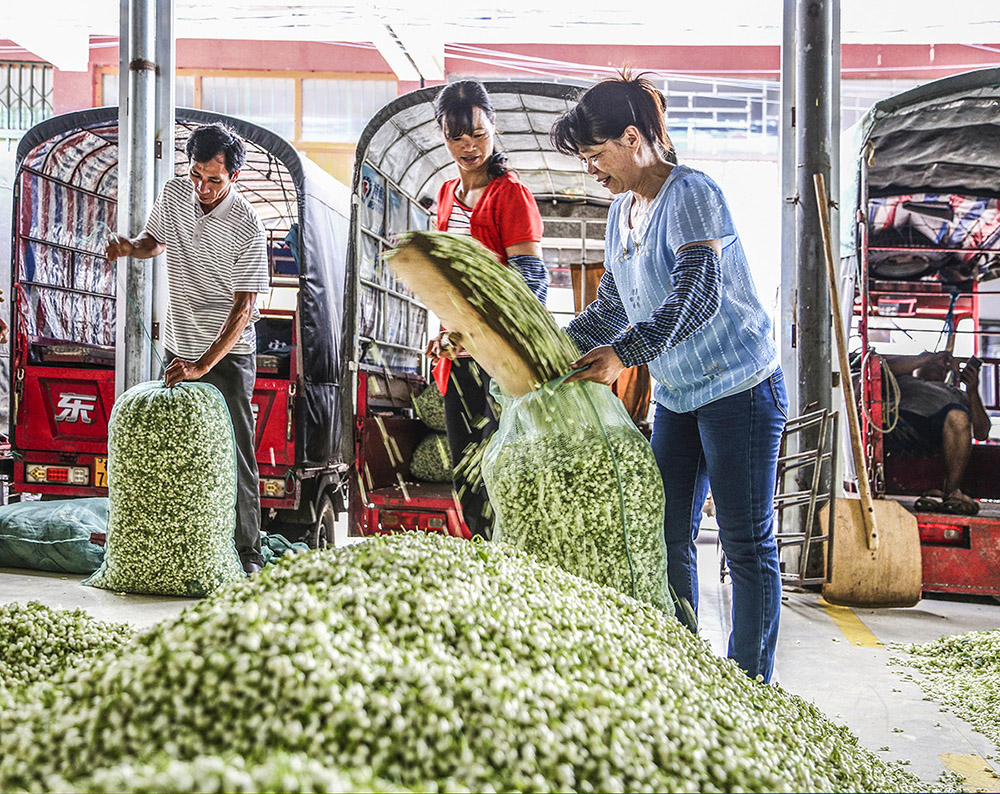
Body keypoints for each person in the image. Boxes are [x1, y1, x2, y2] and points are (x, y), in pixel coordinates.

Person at [551, 73, 787, 683]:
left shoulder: (691, 194)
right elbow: (612, 306)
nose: (591, 171)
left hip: (739, 389)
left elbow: (696, 296)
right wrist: (551, 348)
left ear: (632, 139)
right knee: (667, 534)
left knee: (744, 542)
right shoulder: (620, 213)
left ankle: (750, 684)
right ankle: (685, 668)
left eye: (595, 155)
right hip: (680, 397)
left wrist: (623, 355)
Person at [104, 123, 270, 576]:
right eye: (196, 175)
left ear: (234, 176)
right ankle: (184, 542)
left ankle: (249, 552)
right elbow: (153, 242)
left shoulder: (248, 226)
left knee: (236, 451)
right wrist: (129, 248)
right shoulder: (175, 193)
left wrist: (202, 365)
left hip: (228, 357)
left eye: (214, 179)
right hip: (179, 347)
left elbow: (244, 308)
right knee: (177, 445)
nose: (202, 187)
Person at [425, 80, 547, 540]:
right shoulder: (445, 194)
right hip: (457, 361)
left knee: (501, 471)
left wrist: (486, 335)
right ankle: (480, 557)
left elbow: (530, 282)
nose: (469, 146)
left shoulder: (510, 195)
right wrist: (448, 333)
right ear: (443, 135)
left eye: (478, 133)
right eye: (456, 137)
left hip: (498, 362)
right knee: (467, 473)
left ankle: (507, 559)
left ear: (494, 126)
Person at [884, 350, 990, 515]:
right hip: (899, 424)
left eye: (945, 367)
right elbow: (883, 368)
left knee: (958, 415)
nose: (941, 366)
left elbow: (981, 433)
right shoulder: (902, 379)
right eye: (935, 363)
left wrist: (972, 390)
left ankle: (951, 491)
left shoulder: (956, 393)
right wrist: (930, 358)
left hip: (935, 432)